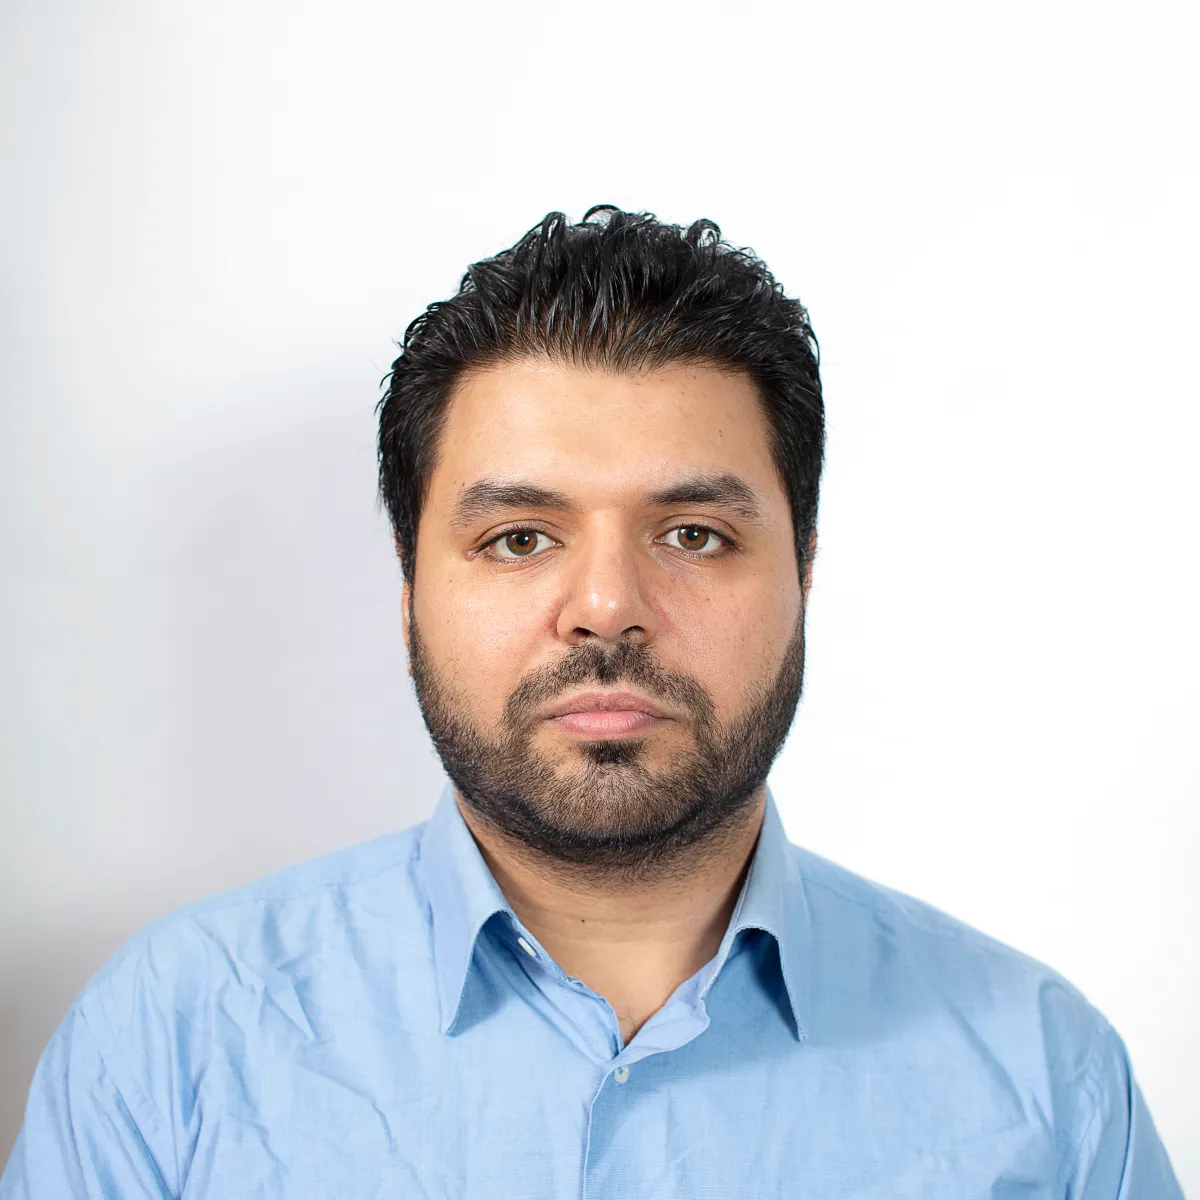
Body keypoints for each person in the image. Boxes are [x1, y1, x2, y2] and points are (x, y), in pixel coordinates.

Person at [1, 207, 1183, 1198]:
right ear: (410, 595)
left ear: (804, 573)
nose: (608, 607)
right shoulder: (171, 1042)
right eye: (520, 537)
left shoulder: (1047, 1080)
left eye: (694, 534)